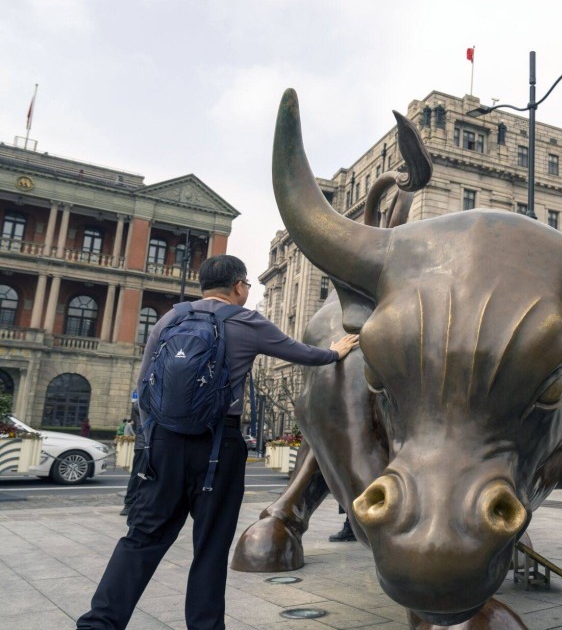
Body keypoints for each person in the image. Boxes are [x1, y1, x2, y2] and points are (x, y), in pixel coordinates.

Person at [77, 255, 360, 630]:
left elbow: (144, 388)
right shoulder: (246, 321)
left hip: (164, 444)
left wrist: (153, 443)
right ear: (239, 286)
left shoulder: (170, 319)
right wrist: (335, 351)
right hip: (217, 447)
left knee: (142, 537)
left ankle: (100, 623)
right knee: (209, 547)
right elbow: (302, 354)